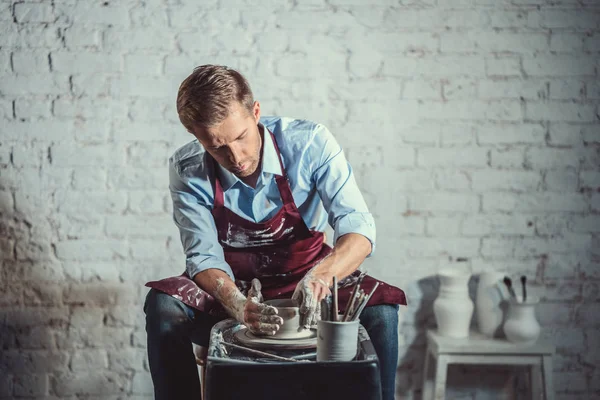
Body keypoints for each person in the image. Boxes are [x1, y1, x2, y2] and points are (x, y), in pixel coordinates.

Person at [144, 64, 406, 400]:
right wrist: (237, 304)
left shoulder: (310, 143)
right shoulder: (187, 168)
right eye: (217, 147)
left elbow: (359, 230)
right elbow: (203, 255)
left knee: (381, 313)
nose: (235, 157)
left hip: (309, 278)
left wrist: (320, 279)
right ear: (198, 138)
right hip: (234, 287)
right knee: (164, 306)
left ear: (256, 112)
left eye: (240, 137)